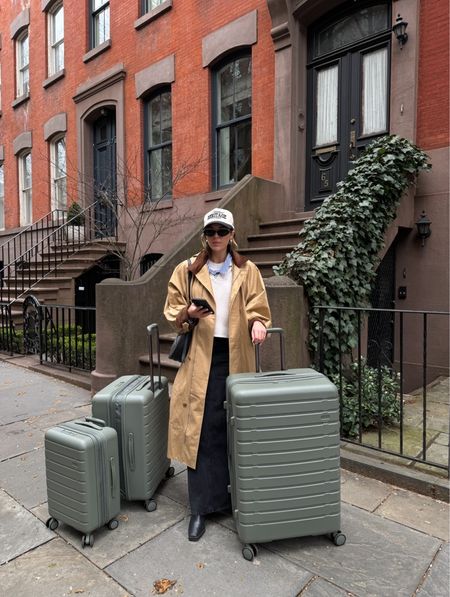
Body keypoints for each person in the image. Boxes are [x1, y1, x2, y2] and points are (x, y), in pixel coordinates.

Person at [164, 207, 271, 541]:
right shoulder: (187, 269)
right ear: (204, 236)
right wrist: (189, 312)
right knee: (200, 433)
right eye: (210, 232)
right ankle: (199, 509)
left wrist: (258, 323)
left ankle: (230, 502)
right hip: (200, 359)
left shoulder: (247, 269)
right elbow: (172, 313)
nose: (216, 238)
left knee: (233, 432)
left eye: (222, 232)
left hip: (236, 357)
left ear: (231, 235)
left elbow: (259, 307)